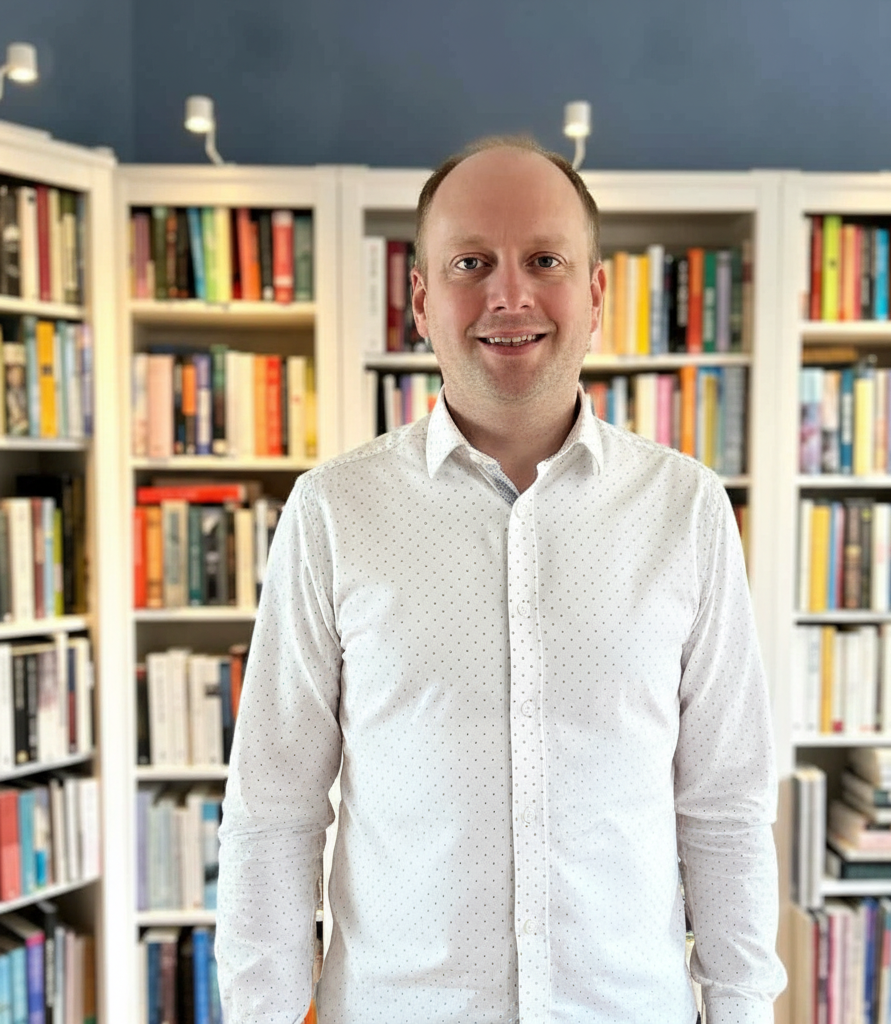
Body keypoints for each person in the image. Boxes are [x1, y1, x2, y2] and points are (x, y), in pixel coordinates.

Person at [216, 135, 787, 1024]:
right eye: (470, 262)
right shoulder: (331, 511)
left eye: (545, 260)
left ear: (596, 294)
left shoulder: (689, 511)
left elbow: (724, 809)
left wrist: (744, 1011)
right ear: (421, 300)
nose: (509, 295)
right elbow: (275, 811)